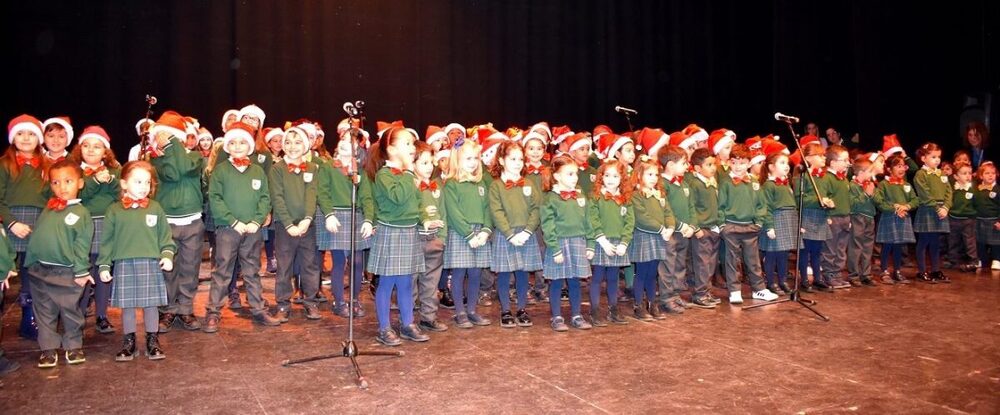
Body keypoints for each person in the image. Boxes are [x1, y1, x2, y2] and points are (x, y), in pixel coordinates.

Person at [203, 123, 280, 332]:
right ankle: (213, 311)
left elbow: (265, 198)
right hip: (229, 229)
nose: (238, 146)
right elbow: (216, 199)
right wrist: (233, 221)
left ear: (250, 146)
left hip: (252, 230)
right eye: (233, 142)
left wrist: (256, 221)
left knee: (252, 270)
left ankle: (258, 308)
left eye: (243, 142)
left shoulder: (257, 171)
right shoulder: (220, 171)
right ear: (227, 146)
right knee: (223, 270)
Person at [97, 160, 176, 361]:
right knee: (128, 306)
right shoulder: (114, 210)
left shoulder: (155, 208)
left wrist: (167, 254)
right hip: (124, 263)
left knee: (151, 305)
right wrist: (105, 264)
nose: (144, 187)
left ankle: (152, 340)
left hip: (150, 263)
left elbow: (165, 237)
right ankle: (129, 341)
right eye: (138, 182)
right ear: (124, 184)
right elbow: (107, 241)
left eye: (147, 183)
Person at [364, 126, 429, 346]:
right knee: (387, 282)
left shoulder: (408, 175)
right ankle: (384, 328)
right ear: (391, 148)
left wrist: (424, 220)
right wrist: (410, 172)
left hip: (409, 231)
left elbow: (415, 203)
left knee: (406, 282)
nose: (413, 147)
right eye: (407, 143)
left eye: (413, 143)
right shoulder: (384, 174)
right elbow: (400, 197)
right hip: (391, 231)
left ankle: (408, 323)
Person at [25, 160, 94, 367]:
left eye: (68, 181)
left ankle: (73, 345)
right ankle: (48, 348)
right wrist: (31, 261)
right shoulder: (49, 209)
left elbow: (82, 244)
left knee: (70, 311)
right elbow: (39, 236)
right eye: (55, 182)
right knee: (44, 311)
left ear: (80, 183)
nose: (62, 187)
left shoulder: (81, 213)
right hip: (39, 270)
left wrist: (81, 271)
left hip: (66, 273)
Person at [148, 111, 204, 332]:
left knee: (190, 267)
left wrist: (171, 144)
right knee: (168, 268)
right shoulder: (155, 160)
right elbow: (172, 173)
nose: (165, 139)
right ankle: (169, 309)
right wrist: (166, 150)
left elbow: (183, 168)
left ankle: (186, 308)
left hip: (191, 222)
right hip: (167, 223)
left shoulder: (195, 157)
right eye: (162, 136)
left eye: (169, 136)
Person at [2, 114, 50, 339]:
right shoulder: (4, 164)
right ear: (12, 138)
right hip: (11, 222)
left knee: (32, 273)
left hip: (38, 222)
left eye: (31, 133)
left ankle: (29, 318)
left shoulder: (47, 166)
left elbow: (52, 196)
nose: (26, 138)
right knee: (5, 271)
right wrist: (11, 223)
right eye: (20, 133)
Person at [70, 126, 121, 334]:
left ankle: (102, 315)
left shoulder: (115, 171)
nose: (91, 150)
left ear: (105, 152)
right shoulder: (74, 171)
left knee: (103, 270)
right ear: (79, 149)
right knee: (82, 270)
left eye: (97, 147)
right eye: (86, 146)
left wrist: (110, 181)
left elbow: (119, 195)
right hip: (82, 226)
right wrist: (93, 181)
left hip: (106, 225)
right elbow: (78, 194)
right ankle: (78, 315)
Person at [268, 125, 322, 322]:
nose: (292, 146)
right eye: (288, 142)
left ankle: (311, 302)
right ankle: (282, 304)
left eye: (298, 142)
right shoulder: (277, 169)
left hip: (307, 225)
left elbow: (311, 194)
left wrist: (307, 219)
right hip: (285, 227)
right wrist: (289, 224)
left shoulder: (313, 168)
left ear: (306, 145)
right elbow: (278, 198)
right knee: (284, 266)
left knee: (310, 265)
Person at [488, 141, 543, 328]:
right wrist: (510, 234)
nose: (518, 162)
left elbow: (536, 209)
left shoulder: (528, 184)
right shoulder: (496, 186)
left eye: (521, 159)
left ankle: (521, 308)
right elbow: (496, 212)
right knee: (504, 274)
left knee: (523, 274)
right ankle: (505, 310)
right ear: (502, 161)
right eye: (513, 159)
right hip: (506, 235)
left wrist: (528, 231)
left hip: (526, 235)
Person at [718, 145, 778, 303]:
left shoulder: (754, 182)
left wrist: (758, 222)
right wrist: (723, 225)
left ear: (749, 164)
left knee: (753, 260)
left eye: (742, 163)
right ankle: (735, 291)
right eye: (734, 162)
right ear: (729, 163)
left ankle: (758, 289)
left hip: (750, 227)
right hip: (731, 226)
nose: (738, 167)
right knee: (732, 261)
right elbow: (720, 206)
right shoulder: (725, 183)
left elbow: (761, 205)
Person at [443, 139, 493, 329]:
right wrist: (469, 235)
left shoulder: (480, 184)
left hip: (480, 233)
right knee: (459, 273)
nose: (473, 162)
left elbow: (487, 209)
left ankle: (471, 310)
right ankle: (460, 312)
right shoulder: (452, 184)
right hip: (461, 234)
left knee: (475, 273)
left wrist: (485, 231)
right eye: (468, 158)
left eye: (475, 158)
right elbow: (454, 213)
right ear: (457, 160)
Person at [541, 155, 592, 331]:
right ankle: (556, 316)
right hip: (559, 244)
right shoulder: (551, 198)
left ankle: (577, 315)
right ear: (557, 176)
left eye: (575, 174)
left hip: (578, 242)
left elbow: (588, 221)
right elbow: (548, 226)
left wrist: (590, 244)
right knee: (556, 281)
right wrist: (554, 248)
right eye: (570, 174)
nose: (575, 178)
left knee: (574, 281)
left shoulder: (580, 195)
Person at [412, 141, 448, 332]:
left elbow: (443, 213)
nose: (430, 167)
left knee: (431, 283)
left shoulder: (437, 186)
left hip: (434, 240)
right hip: (416, 239)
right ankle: (407, 320)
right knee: (411, 283)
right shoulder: (410, 185)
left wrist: (442, 238)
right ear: (412, 163)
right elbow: (413, 211)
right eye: (424, 163)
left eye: (431, 162)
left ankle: (428, 317)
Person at [912, 142, 953, 283]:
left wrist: (946, 207)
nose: (937, 160)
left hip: (941, 210)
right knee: (924, 241)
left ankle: (935, 270)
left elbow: (949, 191)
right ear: (923, 158)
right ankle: (922, 271)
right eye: (933, 157)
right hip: (928, 210)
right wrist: (938, 208)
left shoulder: (941, 174)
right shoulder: (921, 174)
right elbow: (925, 194)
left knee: (936, 242)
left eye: (938, 157)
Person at [874, 154, 918, 283]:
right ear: (889, 169)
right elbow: (880, 201)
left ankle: (897, 271)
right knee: (887, 245)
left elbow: (915, 200)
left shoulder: (907, 185)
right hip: (889, 217)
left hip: (903, 217)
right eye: (898, 166)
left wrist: (907, 206)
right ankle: (884, 270)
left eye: (903, 166)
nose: (902, 169)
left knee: (899, 245)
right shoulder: (884, 184)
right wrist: (895, 208)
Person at [819, 145, 853, 289]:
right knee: (830, 249)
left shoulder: (844, 180)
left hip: (845, 218)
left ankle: (837, 274)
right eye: (844, 160)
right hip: (833, 218)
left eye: (848, 160)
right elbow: (823, 198)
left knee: (841, 249)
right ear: (832, 163)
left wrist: (849, 217)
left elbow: (847, 200)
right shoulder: (826, 178)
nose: (847, 163)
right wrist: (826, 215)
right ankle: (828, 274)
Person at [846, 156, 878, 286]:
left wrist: (872, 194)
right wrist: (865, 194)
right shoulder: (852, 186)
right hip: (857, 217)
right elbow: (852, 204)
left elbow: (876, 201)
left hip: (870, 218)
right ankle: (853, 275)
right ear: (860, 173)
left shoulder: (870, 185)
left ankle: (866, 274)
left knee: (868, 247)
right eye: (870, 171)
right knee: (856, 246)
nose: (872, 174)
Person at [947, 162, 978, 272]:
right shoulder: (953, 189)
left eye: (969, 173)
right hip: (953, 218)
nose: (968, 175)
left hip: (968, 220)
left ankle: (973, 261)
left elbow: (977, 203)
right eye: (964, 173)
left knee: (969, 241)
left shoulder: (973, 188)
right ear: (955, 176)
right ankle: (953, 261)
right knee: (953, 240)